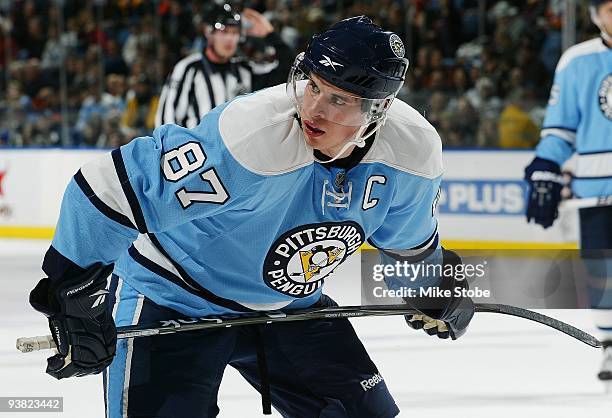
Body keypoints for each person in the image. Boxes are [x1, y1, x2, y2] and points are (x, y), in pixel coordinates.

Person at [29, 17, 474, 417]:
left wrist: (434, 288)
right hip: (174, 298)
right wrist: (74, 295)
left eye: (338, 99)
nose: (314, 108)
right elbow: (106, 188)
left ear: (377, 110)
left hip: (289, 307)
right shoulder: (252, 135)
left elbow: (409, 248)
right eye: (313, 85)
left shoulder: (412, 155)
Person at [524, 0, 612, 386]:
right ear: (596, 15)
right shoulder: (577, 61)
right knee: (600, 270)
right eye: (610, 9)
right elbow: (561, 128)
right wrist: (546, 166)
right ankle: (611, 343)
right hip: (594, 191)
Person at [155, 3, 293, 128]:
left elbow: (289, 72)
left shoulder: (245, 70)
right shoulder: (188, 68)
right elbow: (166, 120)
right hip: (198, 152)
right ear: (209, 33)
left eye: (234, 33)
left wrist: (270, 35)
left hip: (235, 153)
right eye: (224, 32)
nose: (229, 39)